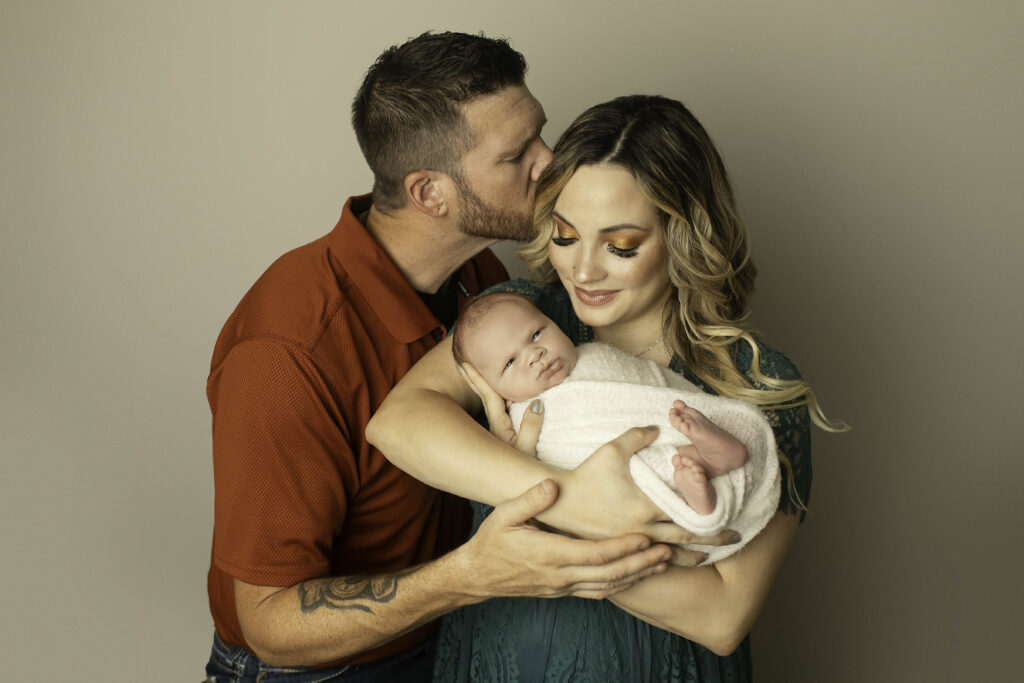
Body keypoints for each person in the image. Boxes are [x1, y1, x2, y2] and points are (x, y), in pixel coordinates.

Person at [203, 34, 705, 683]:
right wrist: (469, 576)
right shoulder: (287, 353)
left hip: (446, 638)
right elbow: (269, 623)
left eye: (541, 135)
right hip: (319, 668)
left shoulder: (483, 277)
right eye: (515, 155)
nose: (550, 163)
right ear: (430, 193)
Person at [367, 94, 847, 681]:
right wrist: (571, 496)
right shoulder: (520, 322)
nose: (584, 271)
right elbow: (398, 423)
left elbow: (722, 616)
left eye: (620, 246)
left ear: (684, 236)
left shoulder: (762, 385)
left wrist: (547, 525)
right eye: (566, 237)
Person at [451, 291, 781, 562]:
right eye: (510, 363)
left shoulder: (594, 355)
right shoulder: (520, 420)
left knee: (681, 426)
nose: (535, 354)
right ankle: (701, 490)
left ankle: (712, 455)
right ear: (495, 392)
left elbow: (655, 385)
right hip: (616, 487)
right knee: (644, 469)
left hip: (655, 435)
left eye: (536, 334)